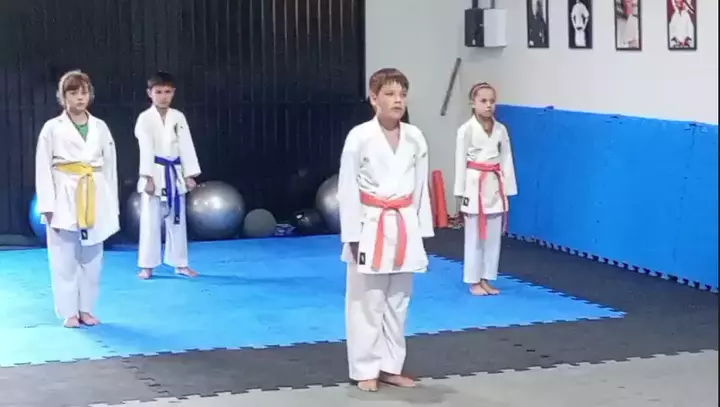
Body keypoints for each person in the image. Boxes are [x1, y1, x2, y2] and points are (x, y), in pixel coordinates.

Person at [337, 68, 434, 392]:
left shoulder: (415, 137)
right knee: (367, 301)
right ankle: (365, 368)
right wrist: (352, 235)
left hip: (404, 222)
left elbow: (420, 187)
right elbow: (347, 188)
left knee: (398, 300)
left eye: (402, 95)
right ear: (373, 98)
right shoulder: (359, 136)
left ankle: (391, 366)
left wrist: (421, 231)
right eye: (390, 94)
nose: (398, 100)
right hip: (371, 223)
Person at [35, 70, 120, 328]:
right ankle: (69, 312)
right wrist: (47, 205)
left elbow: (110, 167)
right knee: (64, 257)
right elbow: (42, 167)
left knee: (93, 257)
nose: (80, 98)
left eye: (84, 92)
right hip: (64, 191)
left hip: (95, 191)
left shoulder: (100, 127)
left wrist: (111, 204)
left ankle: (86, 309)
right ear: (63, 97)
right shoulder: (52, 128)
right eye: (73, 93)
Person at [134, 71, 201, 280]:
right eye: (159, 92)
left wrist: (189, 174)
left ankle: (180, 263)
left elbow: (186, 145)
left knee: (178, 221)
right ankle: (147, 266)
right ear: (150, 93)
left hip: (174, 173)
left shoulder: (178, 117)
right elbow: (145, 149)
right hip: (155, 171)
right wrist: (148, 178)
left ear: (173, 93)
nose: (164, 96)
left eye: (168, 92)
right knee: (150, 223)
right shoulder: (145, 119)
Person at [453, 82, 517, 296]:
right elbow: (460, 160)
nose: (488, 105)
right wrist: (460, 192)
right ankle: (473, 281)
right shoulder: (466, 130)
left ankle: (487, 278)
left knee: (493, 238)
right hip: (474, 184)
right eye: (483, 101)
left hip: (494, 183)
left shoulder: (501, 129)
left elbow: (506, 159)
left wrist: (508, 188)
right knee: (474, 237)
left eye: (492, 101)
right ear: (473, 103)